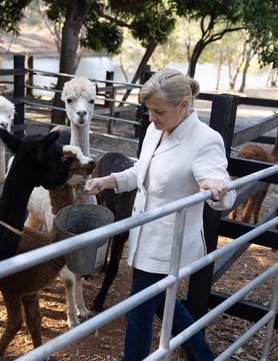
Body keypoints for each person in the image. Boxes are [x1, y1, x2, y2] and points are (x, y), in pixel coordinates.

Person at [84, 68, 236, 360]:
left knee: (138, 312)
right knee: (165, 305)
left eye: (158, 111)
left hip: (168, 246)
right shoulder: (156, 129)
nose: (151, 118)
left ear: (183, 105)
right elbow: (141, 171)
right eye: (149, 111)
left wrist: (216, 186)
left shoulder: (205, 140)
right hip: (143, 237)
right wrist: (108, 181)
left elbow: (221, 189)